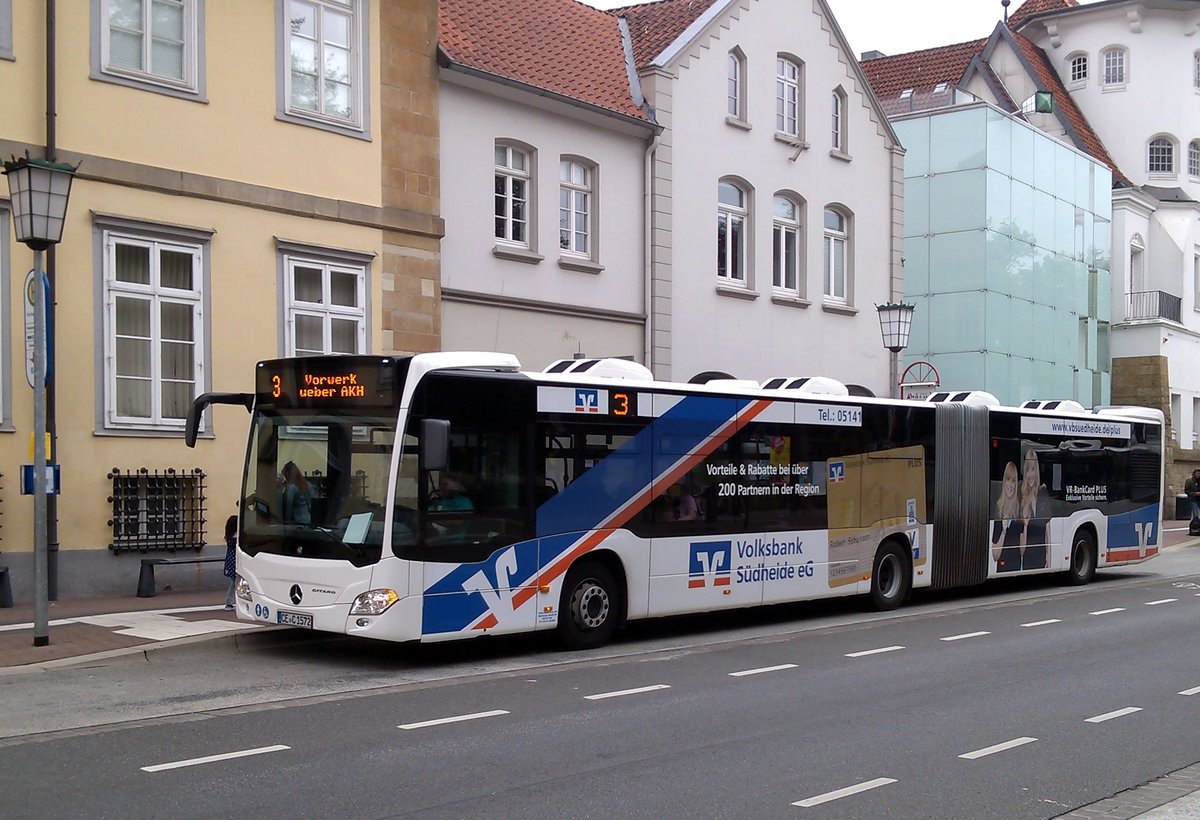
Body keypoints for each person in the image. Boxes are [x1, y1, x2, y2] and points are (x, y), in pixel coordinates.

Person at [1019, 447, 1049, 570]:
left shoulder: (1043, 491)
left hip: (1041, 553)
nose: (1030, 474)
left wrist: (1049, 555)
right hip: (1027, 556)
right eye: (1027, 470)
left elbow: (1047, 529)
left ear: (1037, 471)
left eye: (1033, 469)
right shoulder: (1022, 497)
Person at [991, 461, 1023, 573]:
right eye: (1008, 479)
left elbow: (1022, 550)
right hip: (1003, 568)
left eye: (1013, 480)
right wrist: (1004, 532)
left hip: (1017, 568)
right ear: (1003, 482)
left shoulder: (1019, 510)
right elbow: (995, 556)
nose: (1010, 484)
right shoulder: (998, 509)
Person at [223, 514, 238, 611]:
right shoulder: (236, 536)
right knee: (234, 583)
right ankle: (229, 602)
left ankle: (229, 602)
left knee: (232, 582)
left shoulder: (229, 535)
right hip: (235, 559)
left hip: (230, 559)